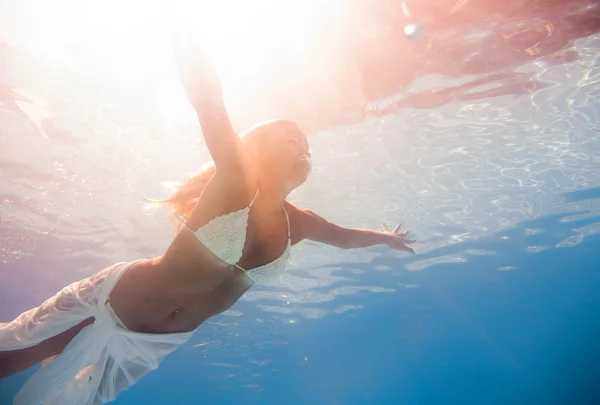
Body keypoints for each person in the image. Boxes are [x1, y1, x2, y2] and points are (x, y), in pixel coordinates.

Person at [0, 39, 416, 405]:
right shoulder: (235, 180)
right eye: (293, 139)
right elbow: (208, 99)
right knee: (12, 356)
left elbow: (343, 238)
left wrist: (385, 239)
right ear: (259, 149)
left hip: (152, 344)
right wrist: (185, 28)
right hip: (115, 303)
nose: (304, 149)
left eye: (307, 145)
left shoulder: (300, 222)